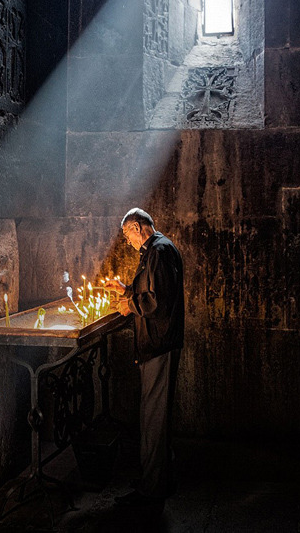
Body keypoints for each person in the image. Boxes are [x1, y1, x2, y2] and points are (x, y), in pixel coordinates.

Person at [106, 208, 184, 511]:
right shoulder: (158, 249)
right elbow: (152, 292)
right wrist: (127, 291)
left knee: (154, 419)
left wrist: (130, 305)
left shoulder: (159, 251)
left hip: (158, 345)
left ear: (138, 227)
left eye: (127, 235)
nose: (127, 241)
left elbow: (158, 302)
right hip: (158, 343)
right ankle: (160, 480)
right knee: (155, 416)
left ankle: (153, 490)